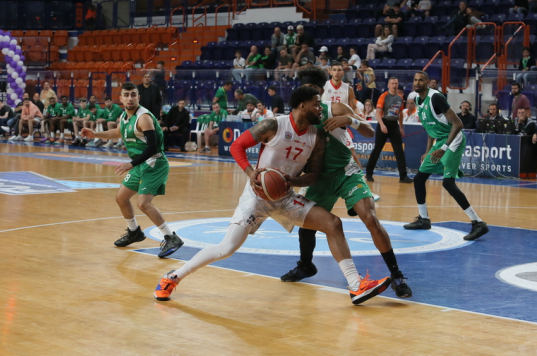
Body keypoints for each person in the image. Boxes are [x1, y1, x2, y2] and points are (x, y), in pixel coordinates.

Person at [154, 85, 393, 305]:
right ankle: (172, 277)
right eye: (316, 104)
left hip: (286, 197)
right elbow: (237, 146)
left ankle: (355, 285)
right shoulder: (273, 125)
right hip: (257, 197)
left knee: (333, 223)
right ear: (302, 106)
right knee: (226, 248)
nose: (321, 109)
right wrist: (250, 173)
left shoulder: (317, 136)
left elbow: (313, 176)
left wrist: (293, 180)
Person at [279, 66, 412, 298]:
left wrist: (350, 119)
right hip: (320, 177)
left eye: (311, 90)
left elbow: (370, 131)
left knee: (370, 217)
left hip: (346, 172)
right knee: (306, 224)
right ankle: (305, 265)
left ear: (320, 91)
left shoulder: (335, 108)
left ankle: (396, 274)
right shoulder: (298, 115)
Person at [81, 83, 184, 257]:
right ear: (120, 98)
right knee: (121, 198)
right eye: (126, 95)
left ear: (138, 97)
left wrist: (131, 164)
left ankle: (171, 237)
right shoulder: (124, 116)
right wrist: (95, 134)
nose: (130, 98)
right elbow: (118, 132)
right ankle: (134, 232)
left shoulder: (143, 117)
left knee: (143, 203)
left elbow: (152, 148)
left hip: (154, 163)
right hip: (140, 163)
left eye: (133, 95)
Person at [404, 71, 489, 241]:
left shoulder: (436, 98)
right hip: (439, 142)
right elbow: (430, 128)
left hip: (453, 139)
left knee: (448, 183)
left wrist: (443, 147)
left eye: (421, 80)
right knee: (419, 178)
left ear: (428, 82)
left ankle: (478, 223)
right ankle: (424, 219)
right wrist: (428, 150)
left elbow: (458, 123)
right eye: (415, 80)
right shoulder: (418, 100)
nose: (417, 82)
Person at [365, 77, 413, 183]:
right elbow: (377, 112)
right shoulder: (383, 96)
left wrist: (401, 127)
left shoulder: (400, 98)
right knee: (377, 149)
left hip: (394, 125)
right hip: (383, 123)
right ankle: (368, 173)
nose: (395, 85)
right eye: (393, 83)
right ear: (388, 85)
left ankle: (403, 176)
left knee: (399, 151)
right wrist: (382, 125)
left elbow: (399, 114)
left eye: (396, 83)